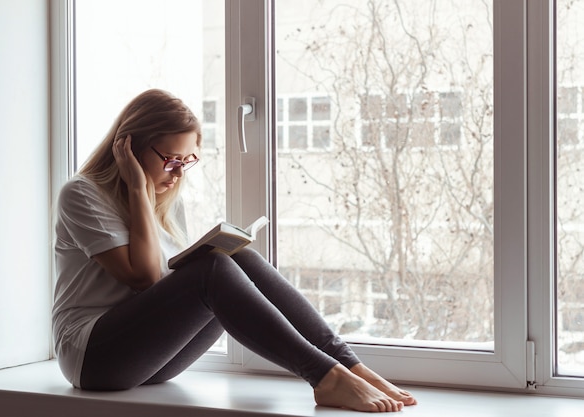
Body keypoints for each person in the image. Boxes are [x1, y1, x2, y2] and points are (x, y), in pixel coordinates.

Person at [52, 88, 417, 413]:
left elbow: (163, 288)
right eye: (170, 159)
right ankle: (327, 378)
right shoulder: (82, 193)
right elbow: (146, 278)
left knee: (238, 257)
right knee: (213, 268)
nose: (178, 173)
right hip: (94, 356)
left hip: (150, 358)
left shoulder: (166, 200)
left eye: (188, 160)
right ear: (128, 147)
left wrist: (151, 196)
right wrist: (137, 190)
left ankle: (349, 366)